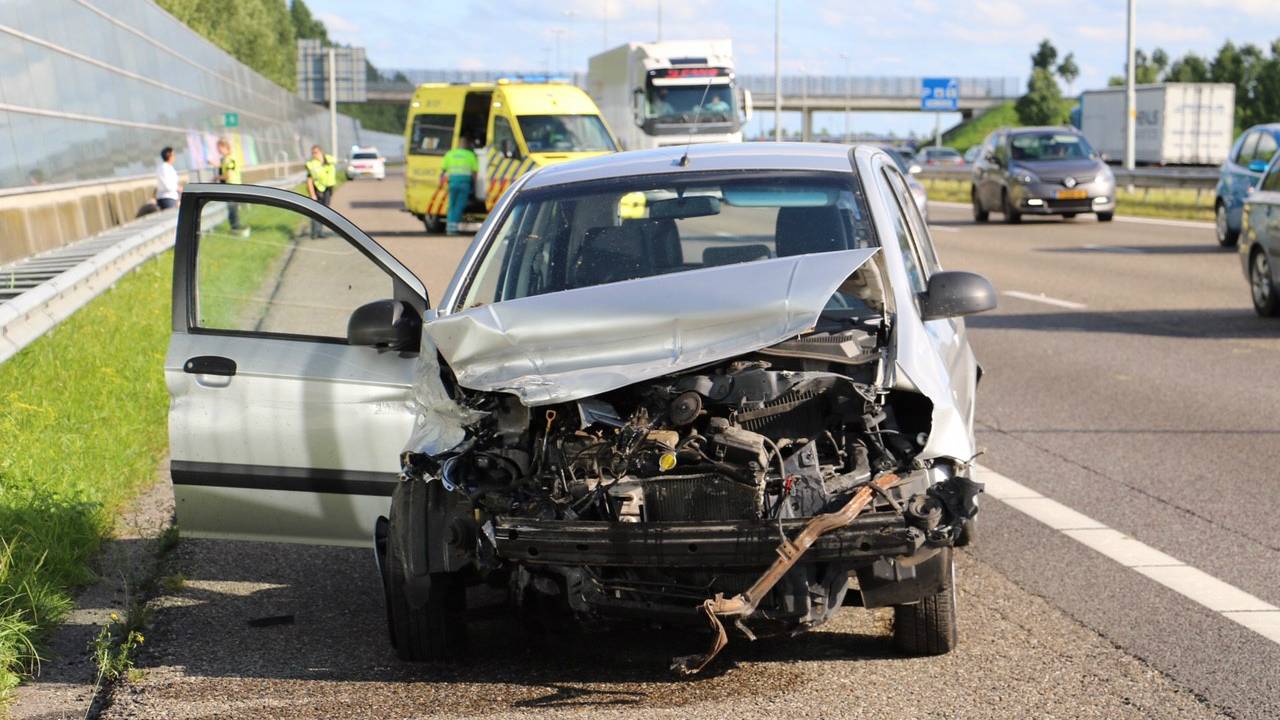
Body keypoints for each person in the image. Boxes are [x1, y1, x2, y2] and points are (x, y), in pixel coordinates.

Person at [439, 137, 478, 235]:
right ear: (467, 145)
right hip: (464, 183)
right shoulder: (470, 155)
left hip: (452, 182)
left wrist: (440, 182)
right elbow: (474, 172)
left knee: (451, 205)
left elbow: (443, 171)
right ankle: (453, 228)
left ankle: (449, 228)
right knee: (460, 205)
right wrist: (475, 185)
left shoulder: (450, 154)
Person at [213, 138, 247, 236]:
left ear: (225, 147)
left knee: (232, 208)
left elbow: (228, 175)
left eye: (219, 147)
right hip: (234, 185)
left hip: (232, 186)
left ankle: (235, 228)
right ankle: (235, 227)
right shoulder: (229, 158)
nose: (218, 150)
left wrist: (216, 177)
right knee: (233, 208)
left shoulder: (229, 159)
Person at [305, 144, 338, 239]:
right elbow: (309, 180)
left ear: (321, 152)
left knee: (324, 211)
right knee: (315, 212)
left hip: (327, 189)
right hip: (317, 190)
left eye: (316, 152)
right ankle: (314, 233)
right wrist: (312, 194)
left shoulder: (329, 160)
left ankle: (320, 232)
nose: (314, 155)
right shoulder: (312, 164)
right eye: (312, 153)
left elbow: (334, 164)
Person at [155, 146, 181, 210]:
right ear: (169, 156)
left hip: (172, 198)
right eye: (173, 155)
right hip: (167, 198)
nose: (174, 157)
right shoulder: (164, 168)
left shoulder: (169, 167)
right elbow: (167, 185)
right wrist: (177, 188)